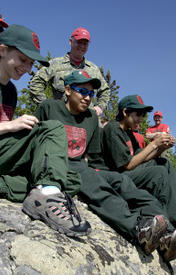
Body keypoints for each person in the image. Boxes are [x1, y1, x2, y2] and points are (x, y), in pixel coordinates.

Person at [34, 70, 176, 262]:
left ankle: (167, 233)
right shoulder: (49, 107)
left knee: (123, 182)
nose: (87, 97)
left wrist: (96, 173)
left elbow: (89, 156)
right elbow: (35, 141)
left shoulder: (91, 117)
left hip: (82, 166)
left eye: (91, 94)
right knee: (99, 188)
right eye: (82, 91)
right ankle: (138, 230)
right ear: (67, 90)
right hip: (56, 164)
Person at [0, 24, 91, 237]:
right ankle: (47, 197)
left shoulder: (11, 91)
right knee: (51, 128)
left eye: (30, 63)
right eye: (22, 59)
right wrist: (10, 125)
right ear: (2, 50)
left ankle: (43, 192)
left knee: (70, 178)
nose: (26, 67)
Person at [102, 94, 176, 242]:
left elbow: (142, 158)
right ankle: (175, 222)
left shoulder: (129, 133)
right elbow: (127, 164)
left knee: (164, 163)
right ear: (125, 112)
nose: (141, 118)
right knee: (158, 173)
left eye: (143, 115)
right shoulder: (112, 129)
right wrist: (154, 144)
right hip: (117, 177)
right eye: (138, 114)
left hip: (129, 172)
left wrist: (161, 148)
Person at [28, 27, 110, 116]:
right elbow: (35, 83)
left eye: (85, 44)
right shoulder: (55, 64)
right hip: (61, 118)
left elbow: (105, 90)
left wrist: (100, 107)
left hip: (86, 120)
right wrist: (47, 107)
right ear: (71, 42)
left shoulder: (93, 69)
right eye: (79, 42)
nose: (82, 46)